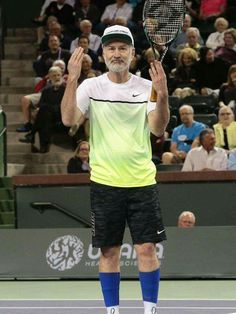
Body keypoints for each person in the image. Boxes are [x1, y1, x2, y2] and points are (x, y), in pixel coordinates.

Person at [61, 24, 169, 314]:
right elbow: (69, 119)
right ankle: (112, 311)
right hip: (105, 183)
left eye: (123, 48)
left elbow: (158, 129)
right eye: (111, 48)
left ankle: (150, 310)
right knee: (109, 251)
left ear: (133, 54)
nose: (117, 53)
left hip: (141, 182)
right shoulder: (90, 87)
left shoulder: (147, 88)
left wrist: (162, 94)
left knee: (146, 249)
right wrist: (72, 79)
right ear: (103, 53)